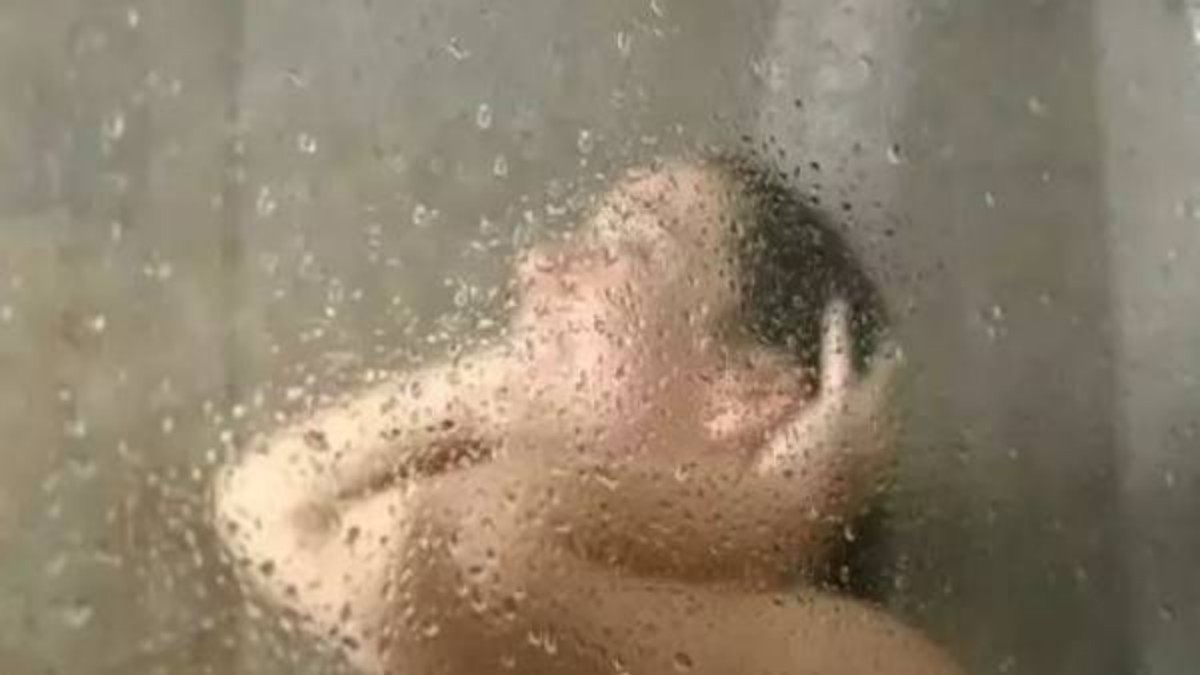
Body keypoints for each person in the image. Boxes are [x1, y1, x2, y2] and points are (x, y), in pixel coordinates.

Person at [213, 155, 962, 675]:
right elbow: (261, 505)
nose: (536, 264)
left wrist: (776, 508)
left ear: (749, 391)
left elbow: (424, 554)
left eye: (626, 244)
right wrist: (494, 387)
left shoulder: (858, 658)